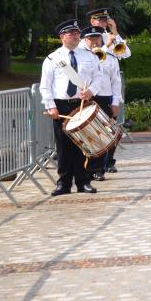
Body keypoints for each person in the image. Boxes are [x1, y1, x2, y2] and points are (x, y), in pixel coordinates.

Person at [40, 20, 100, 195]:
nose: (76, 35)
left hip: (82, 105)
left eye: (77, 32)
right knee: (63, 146)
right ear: (62, 37)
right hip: (62, 105)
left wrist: (91, 91)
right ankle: (64, 183)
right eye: (71, 33)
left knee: (82, 144)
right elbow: (46, 85)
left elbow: (98, 79)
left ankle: (83, 182)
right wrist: (50, 106)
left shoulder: (89, 56)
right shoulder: (53, 58)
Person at [80, 26, 123, 181]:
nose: (94, 42)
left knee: (104, 135)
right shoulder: (80, 55)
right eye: (91, 39)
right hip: (85, 98)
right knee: (87, 135)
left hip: (105, 98)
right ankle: (85, 168)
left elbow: (116, 81)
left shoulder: (110, 57)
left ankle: (99, 168)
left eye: (97, 38)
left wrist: (116, 102)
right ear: (85, 40)